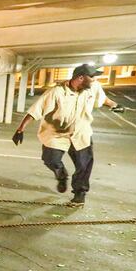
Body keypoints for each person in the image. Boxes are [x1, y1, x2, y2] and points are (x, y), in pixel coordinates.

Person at [12, 64, 124, 206]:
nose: (95, 80)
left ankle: (79, 194)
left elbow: (103, 99)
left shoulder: (93, 87)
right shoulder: (56, 92)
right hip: (57, 134)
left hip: (81, 133)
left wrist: (114, 105)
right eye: (92, 77)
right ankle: (61, 175)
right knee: (50, 159)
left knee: (84, 165)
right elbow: (36, 110)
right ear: (80, 78)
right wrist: (20, 129)